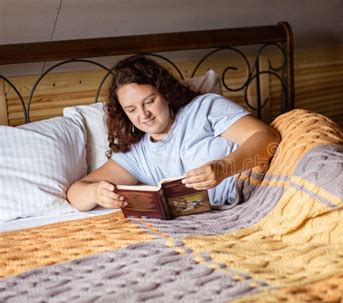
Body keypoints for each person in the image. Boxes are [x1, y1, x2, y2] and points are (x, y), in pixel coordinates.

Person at [67, 55, 281, 211]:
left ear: (165, 93)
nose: (144, 115)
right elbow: (75, 192)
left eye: (149, 101)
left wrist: (225, 167)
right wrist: (96, 193)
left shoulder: (203, 109)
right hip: (218, 217)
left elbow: (268, 137)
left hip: (260, 192)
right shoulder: (136, 154)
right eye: (131, 110)